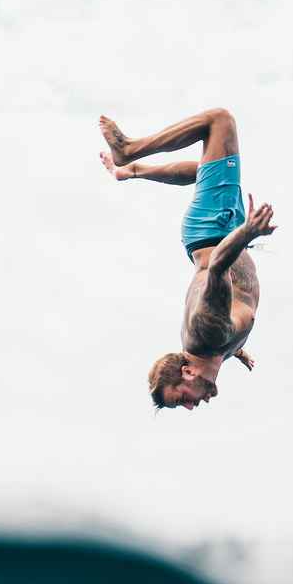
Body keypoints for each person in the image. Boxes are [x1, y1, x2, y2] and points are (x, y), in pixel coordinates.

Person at [99, 107, 276, 410]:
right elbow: (222, 315)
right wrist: (237, 349)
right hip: (215, 231)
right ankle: (130, 172)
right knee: (205, 170)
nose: (192, 405)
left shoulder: (209, 334)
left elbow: (219, 265)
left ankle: (128, 151)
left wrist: (248, 232)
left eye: (181, 398)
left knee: (219, 121)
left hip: (217, 228)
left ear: (188, 372)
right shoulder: (215, 345)